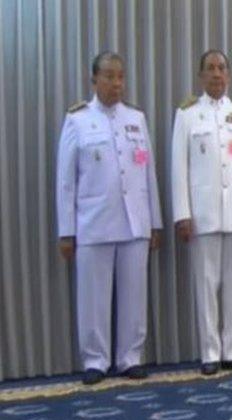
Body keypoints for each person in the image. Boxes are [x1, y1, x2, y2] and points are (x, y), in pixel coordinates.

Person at [56, 51, 163, 385]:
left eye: (121, 76)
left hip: (135, 222)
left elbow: (148, 174)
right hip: (93, 223)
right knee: (93, 296)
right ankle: (96, 360)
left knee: (134, 294)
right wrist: (66, 231)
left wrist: (154, 222)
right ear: (94, 80)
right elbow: (65, 180)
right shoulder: (77, 119)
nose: (117, 83)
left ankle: (130, 357)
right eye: (109, 76)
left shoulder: (135, 119)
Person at [170, 49, 232, 376]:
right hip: (203, 215)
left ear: (229, 75)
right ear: (200, 76)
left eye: (222, 68)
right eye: (210, 68)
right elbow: (178, 169)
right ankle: (210, 353)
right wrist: (182, 214)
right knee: (206, 285)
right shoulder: (187, 115)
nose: (216, 74)